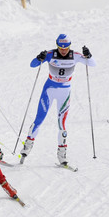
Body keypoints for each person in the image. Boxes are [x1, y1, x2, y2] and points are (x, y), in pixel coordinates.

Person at [20, 33, 96, 166]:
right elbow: (32, 65)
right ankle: (27, 147)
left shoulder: (76, 55)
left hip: (64, 92)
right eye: (60, 47)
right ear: (57, 46)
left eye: (66, 48)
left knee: (62, 124)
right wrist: (39, 58)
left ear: (69, 46)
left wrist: (89, 55)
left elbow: (92, 64)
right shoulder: (50, 54)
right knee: (39, 119)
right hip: (49, 90)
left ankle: (62, 155)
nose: (63, 50)